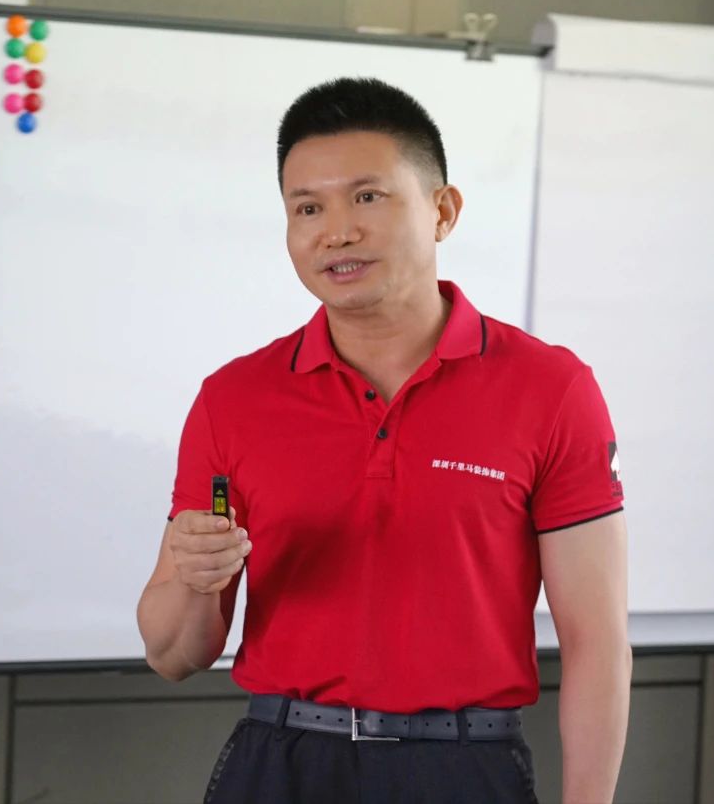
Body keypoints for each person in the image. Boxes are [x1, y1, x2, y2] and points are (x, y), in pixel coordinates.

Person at [136, 77, 631, 804]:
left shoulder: (551, 389)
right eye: (308, 208)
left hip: (464, 766)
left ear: (443, 211)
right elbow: (173, 655)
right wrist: (194, 577)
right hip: (281, 761)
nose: (336, 232)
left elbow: (597, 643)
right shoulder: (233, 399)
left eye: (367, 197)